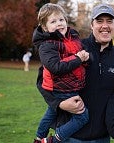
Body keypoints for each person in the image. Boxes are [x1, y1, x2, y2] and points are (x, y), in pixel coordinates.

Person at [35, 3, 114, 143]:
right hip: (69, 135)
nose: (105, 26)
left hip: (101, 137)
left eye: (109, 21)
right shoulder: (75, 47)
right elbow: (43, 81)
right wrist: (59, 103)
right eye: (99, 21)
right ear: (91, 25)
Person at [32, 3, 90, 143]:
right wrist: (78, 58)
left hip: (72, 85)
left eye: (61, 20)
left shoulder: (73, 38)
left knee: (51, 112)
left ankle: (39, 137)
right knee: (82, 116)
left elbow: (83, 56)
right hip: (62, 88)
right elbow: (55, 67)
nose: (59, 24)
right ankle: (56, 138)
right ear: (45, 27)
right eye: (53, 21)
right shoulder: (47, 45)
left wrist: (86, 58)